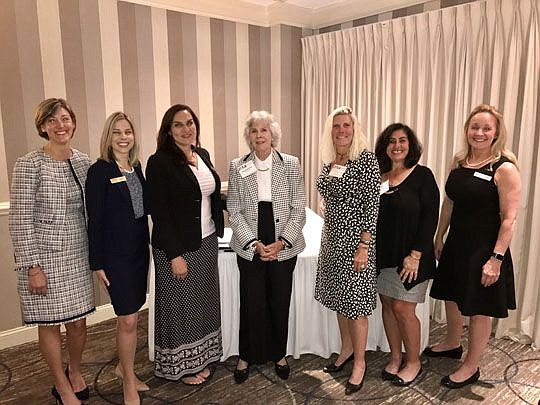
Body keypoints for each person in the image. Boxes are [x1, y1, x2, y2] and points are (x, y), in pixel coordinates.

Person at [426, 104, 521, 389]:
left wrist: (496, 259)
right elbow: (450, 203)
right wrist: (439, 235)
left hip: (485, 248)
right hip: (457, 243)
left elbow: (510, 220)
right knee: (452, 295)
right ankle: (453, 342)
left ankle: (471, 365)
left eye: (486, 128)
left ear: (495, 133)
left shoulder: (504, 168)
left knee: (480, 308)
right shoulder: (460, 162)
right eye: (474, 127)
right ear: (467, 130)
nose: (479, 133)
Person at [9, 98, 94, 405]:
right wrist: (32, 266)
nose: (61, 126)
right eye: (53, 121)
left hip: (78, 256)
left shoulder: (84, 162)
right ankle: (61, 384)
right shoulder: (29, 164)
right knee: (49, 324)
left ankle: (75, 370)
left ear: (73, 122)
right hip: (44, 259)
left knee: (79, 322)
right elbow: (19, 219)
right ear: (43, 126)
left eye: (66, 119)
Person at [146, 104, 224, 385]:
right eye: (178, 124)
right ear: (168, 130)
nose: (186, 128)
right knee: (179, 307)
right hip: (176, 247)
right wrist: (175, 255)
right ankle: (182, 367)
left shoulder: (201, 154)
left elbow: (209, 195)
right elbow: (160, 213)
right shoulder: (159, 162)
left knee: (202, 303)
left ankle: (202, 357)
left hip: (207, 241)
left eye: (190, 122)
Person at [227, 110, 306, 383]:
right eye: (254, 130)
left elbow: (299, 209)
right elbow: (234, 209)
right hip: (251, 240)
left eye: (264, 130)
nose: (259, 135)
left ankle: (279, 354)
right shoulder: (237, 166)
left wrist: (282, 242)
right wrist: (253, 243)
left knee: (279, 299)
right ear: (248, 136)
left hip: (283, 238)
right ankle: (246, 355)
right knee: (251, 301)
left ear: (273, 135)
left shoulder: (291, 164)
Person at [314, 106, 380, 395]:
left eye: (347, 126)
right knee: (341, 301)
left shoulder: (365, 160)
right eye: (337, 126)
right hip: (332, 241)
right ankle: (346, 350)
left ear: (355, 130)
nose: (342, 130)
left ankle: (360, 362)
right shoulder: (331, 161)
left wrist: (364, 246)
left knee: (356, 307)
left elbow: (371, 207)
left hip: (356, 244)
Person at [85, 112, 150, 405]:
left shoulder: (136, 167)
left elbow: (145, 207)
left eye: (128, 132)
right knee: (127, 319)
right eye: (117, 133)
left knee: (132, 316)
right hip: (115, 257)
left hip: (139, 251)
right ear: (108, 138)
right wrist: (97, 262)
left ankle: (125, 370)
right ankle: (127, 382)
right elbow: (94, 220)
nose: (124, 137)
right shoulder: (99, 171)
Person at [374, 123, 439, 386]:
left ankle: (414, 362)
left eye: (402, 140)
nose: (397, 146)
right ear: (384, 147)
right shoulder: (380, 177)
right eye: (391, 141)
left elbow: (429, 218)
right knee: (388, 305)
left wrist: (415, 255)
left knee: (403, 307)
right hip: (384, 256)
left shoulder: (423, 175)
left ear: (410, 145)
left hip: (413, 257)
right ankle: (395, 357)